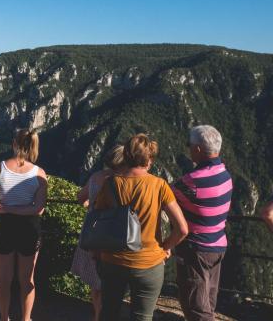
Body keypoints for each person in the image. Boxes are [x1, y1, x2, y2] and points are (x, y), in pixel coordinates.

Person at [95, 133, 188, 321]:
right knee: (142, 317)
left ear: (126, 156)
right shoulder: (159, 185)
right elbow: (182, 229)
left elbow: (97, 220)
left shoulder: (110, 184)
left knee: (108, 313)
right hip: (148, 263)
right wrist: (165, 248)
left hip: (112, 260)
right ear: (149, 159)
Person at [171, 125, 232, 321]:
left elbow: (163, 194)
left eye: (189, 145)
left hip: (196, 250)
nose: (188, 149)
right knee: (208, 301)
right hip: (218, 247)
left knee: (196, 307)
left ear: (197, 149)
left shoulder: (191, 181)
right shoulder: (225, 175)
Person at [0, 129, 48, 321]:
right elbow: (38, 209)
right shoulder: (39, 174)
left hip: (3, 227)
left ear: (14, 143)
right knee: (27, 280)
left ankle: (4, 317)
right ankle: (26, 318)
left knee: (3, 279)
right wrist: (15, 209)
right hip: (29, 228)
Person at [71, 145, 125, 321]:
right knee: (114, 283)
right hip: (115, 235)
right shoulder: (124, 180)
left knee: (96, 285)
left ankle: (97, 316)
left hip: (93, 233)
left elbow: (80, 198)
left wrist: (91, 205)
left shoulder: (96, 177)